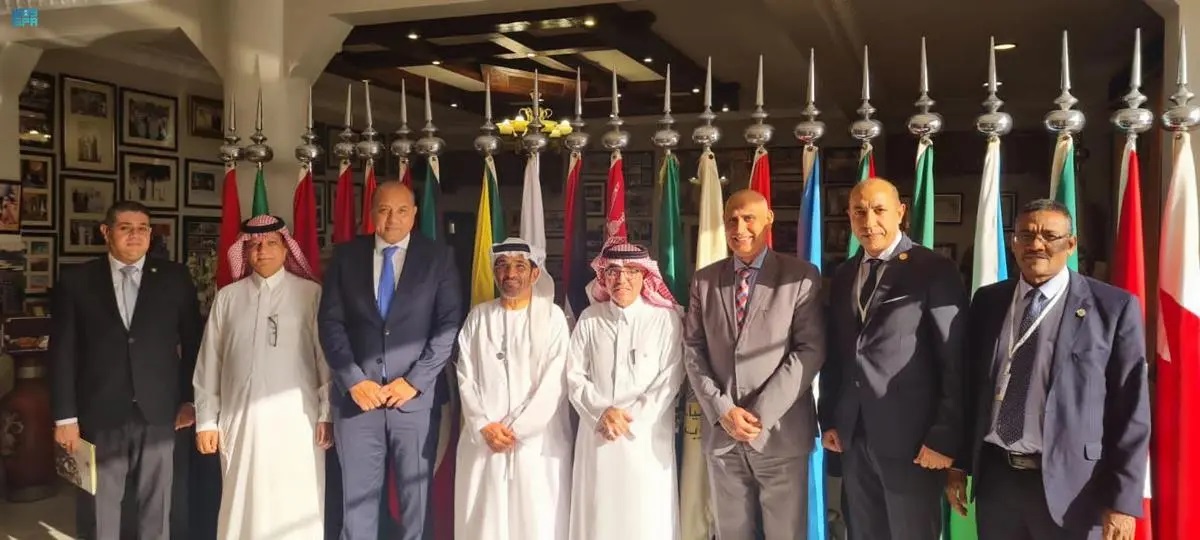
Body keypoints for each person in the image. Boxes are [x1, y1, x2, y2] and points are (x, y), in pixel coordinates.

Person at [947, 200, 1149, 540]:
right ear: (1014, 243)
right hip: (998, 481)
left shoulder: (1113, 307)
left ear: (1070, 244)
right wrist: (960, 463)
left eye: (1049, 236)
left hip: (1075, 488)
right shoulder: (988, 301)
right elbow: (971, 389)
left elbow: (1131, 410)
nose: (1036, 244)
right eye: (1026, 235)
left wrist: (1122, 501)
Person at [818, 177, 968, 540]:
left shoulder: (933, 269)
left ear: (900, 212)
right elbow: (838, 355)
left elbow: (956, 360)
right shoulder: (844, 274)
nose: (868, 221)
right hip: (854, 437)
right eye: (859, 212)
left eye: (879, 210)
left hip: (914, 444)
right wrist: (831, 418)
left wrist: (944, 436)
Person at [318, 181, 463, 540]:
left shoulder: (438, 258)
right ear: (371, 214)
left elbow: (448, 326)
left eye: (401, 210)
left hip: (413, 402)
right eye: (384, 210)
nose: (392, 219)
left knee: (416, 505)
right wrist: (353, 380)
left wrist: (414, 382)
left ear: (414, 214)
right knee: (357, 506)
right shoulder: (346, 257)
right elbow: (330, 324)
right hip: (358, 402)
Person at [49, 200, 202, 539]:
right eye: (126, 228)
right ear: (106, 232)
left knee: (157, 504)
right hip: (98, 411)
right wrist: (64, 418)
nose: (136, 235)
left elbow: (194, 344)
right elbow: (62, 352)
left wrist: (190, 399)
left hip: (161, 412)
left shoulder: (174, 278)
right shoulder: (77, 281)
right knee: (98, 506)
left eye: (143, 228)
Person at [683, 189, 825, 539]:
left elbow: (809, 350)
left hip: (780, 434)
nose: (740, 228)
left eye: (749, 218)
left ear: (768, 220)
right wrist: (723, 411)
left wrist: (759, 414)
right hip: (724, 435)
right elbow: (693, 350)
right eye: (732, 220)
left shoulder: (800, 276)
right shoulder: (705, 280)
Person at [192, 215, 333, 539]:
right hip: (241, 422)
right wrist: (206, 421)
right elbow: (209, 363)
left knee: (297, 498)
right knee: (242, 498)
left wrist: (326, 413)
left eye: (271, 243)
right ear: (244, 251)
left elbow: (325, 360)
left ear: (286, 249)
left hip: (299, 421)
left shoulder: (310, 294)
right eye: (254, 244)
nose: (262, 250)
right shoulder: (228, 297)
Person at [453, 238, 572, 540]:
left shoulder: (553, 318)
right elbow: (465, 376)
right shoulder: (478, 317)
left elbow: (554, 381)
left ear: (535, 274)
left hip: (537, 444)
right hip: (485, 441)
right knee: (485, 523)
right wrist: (484, 425)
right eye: (502, 266)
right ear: (494, 273)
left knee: (535, 521)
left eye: (520, 266)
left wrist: (518, 429)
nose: (510, 274)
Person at [567, 240, 684, 540]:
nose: (622, 279)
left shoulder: (665, 320)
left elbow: (671, 377)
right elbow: (574, 376)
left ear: (645, 276)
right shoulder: (589, 319)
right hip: (598, 435)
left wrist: (630, 420)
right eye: (613, 272)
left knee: (646, 517)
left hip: (646, 439)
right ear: (603, 278)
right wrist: (602, 413)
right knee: (599, 516)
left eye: (631, 271)